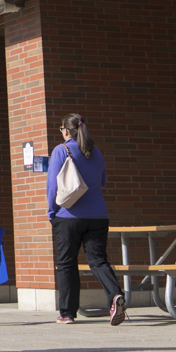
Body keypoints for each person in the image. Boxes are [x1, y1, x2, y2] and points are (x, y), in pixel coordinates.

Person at [45, 114, 123, 326]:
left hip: (68, 216)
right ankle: (115, 295)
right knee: (98, 260)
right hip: (98, 215)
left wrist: (51, 212)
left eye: (61, 129)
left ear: (66, 131)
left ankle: (67, 313)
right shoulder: (95, 151)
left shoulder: (61, 150)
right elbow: (103, 181)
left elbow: (53, 186)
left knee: (66, 263)